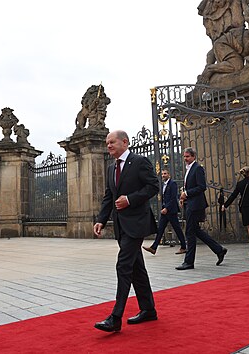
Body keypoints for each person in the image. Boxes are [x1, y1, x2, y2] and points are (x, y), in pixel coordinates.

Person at [93, 130, 159, 332]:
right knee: (137, 268)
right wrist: (101, 219)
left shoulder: (140, 162)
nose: (109, 146)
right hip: (121, 226)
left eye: (112, 142)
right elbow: (108, 196)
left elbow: (153, 186)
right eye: (107, 143)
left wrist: (130, 199)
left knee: (123, 266)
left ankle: (115, 317)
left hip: (137, 223)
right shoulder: (111, 167)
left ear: (125, 142)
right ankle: (148, 310)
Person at [176, 147, 228, 270]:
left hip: (196, 205)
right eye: (184, 156)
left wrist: (187, 193)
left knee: (190, 232)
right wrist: (184, 197)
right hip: (191, 203)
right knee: (196, 231)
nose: (185, 159)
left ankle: (189, 262)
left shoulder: (198, 168)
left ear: (194, 156)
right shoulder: (189, 169)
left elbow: (202, 187)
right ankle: (219, 250)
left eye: (187, 156)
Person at [143, 169, 187, 255]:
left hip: (171, 210)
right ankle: (154, 248)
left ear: (169, 174)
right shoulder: (164, 184)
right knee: (160, 229)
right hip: (165, 211)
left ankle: (183, 247)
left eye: (165, 174)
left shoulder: (172, 183)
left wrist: (167, 208)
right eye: (162, 174)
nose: (163, 175)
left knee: (177, 228)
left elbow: (173, 198)